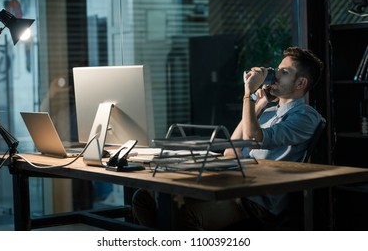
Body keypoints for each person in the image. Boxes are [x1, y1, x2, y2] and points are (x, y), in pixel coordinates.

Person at [132, 46, 324, 230]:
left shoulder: (305, 116)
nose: (276, 74)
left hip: (256, 200)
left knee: (182, 214)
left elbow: (254, 138)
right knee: (144, 197)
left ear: (300, 83)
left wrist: (249, 94)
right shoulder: (267, 111)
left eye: (284, 72)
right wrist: (259, 103)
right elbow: (230, 151)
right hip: (234, 186)